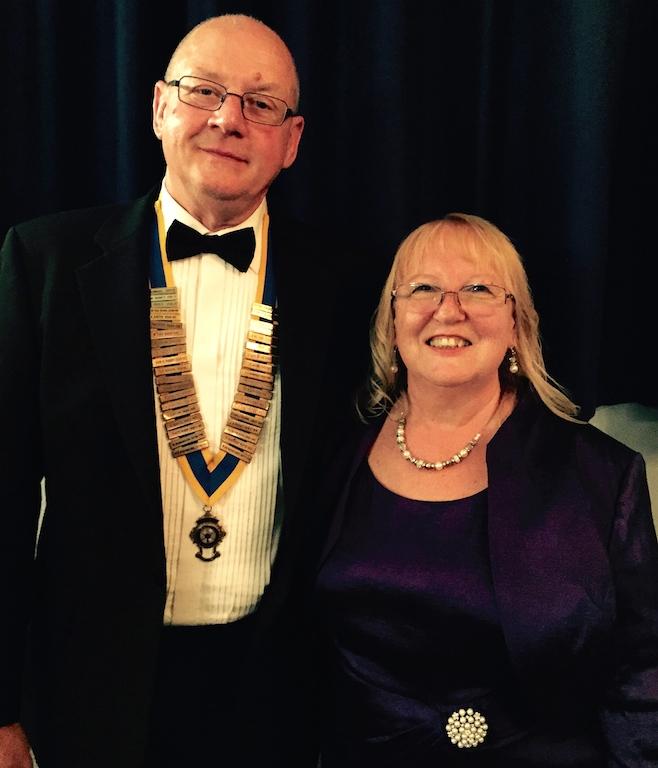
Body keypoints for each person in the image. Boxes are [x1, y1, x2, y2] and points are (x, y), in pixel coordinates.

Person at [0, 13, 355, 768]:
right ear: (160, 106)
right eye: (204, 92)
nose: (228, 119)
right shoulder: (44, 263)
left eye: (262, 103)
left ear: (292, 141)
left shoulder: (346, 283)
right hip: (90, 688)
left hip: (278, 692)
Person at [311, 213, 658, 766]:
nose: (449, 310)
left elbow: (642, 672)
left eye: (478, 289)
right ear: (392, 320)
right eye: (423, 288)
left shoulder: (603, 475)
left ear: (517, 324)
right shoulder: (329, 454)